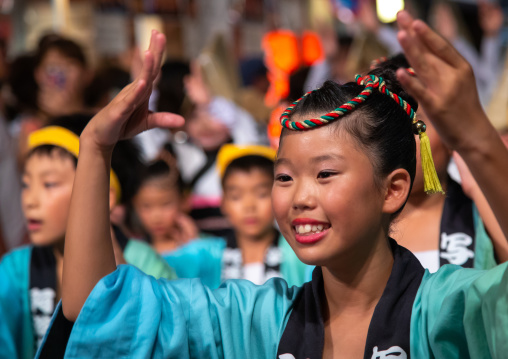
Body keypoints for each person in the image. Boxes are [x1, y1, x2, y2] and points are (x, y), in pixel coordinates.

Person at [36, 17, 508, 358]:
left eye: (325, 174)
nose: (299, 197)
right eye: (284, 177)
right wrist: (95, 149)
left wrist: (478, 141)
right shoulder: (254, 320)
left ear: (393, 189)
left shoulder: (449, 311)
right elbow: (97, 306)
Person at [0, 114, 176, 359]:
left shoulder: (144, 264)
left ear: (105, 194)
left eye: (49, 184)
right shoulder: (14, 269)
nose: (30, 200)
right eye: (26, 184)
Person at [370, 54, 507, 272]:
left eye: (417, 126)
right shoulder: (361, 220)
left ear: (451, 133)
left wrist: (477, 183)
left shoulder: (484, 214)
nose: (400, 141)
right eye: (387, 127)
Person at [162, 144, 310, 288]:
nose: (249, 206)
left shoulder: (300, 255)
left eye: (261, 194)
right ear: (223, 203)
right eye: (236, 196)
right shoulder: (206, 255)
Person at [132, 144, 198, 254]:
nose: (156, 216)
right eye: (146, 206)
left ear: (184, 201)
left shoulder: (204, 246)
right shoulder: (133, 253)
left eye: (166, 204)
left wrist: (194, 247)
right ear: (135, 204)